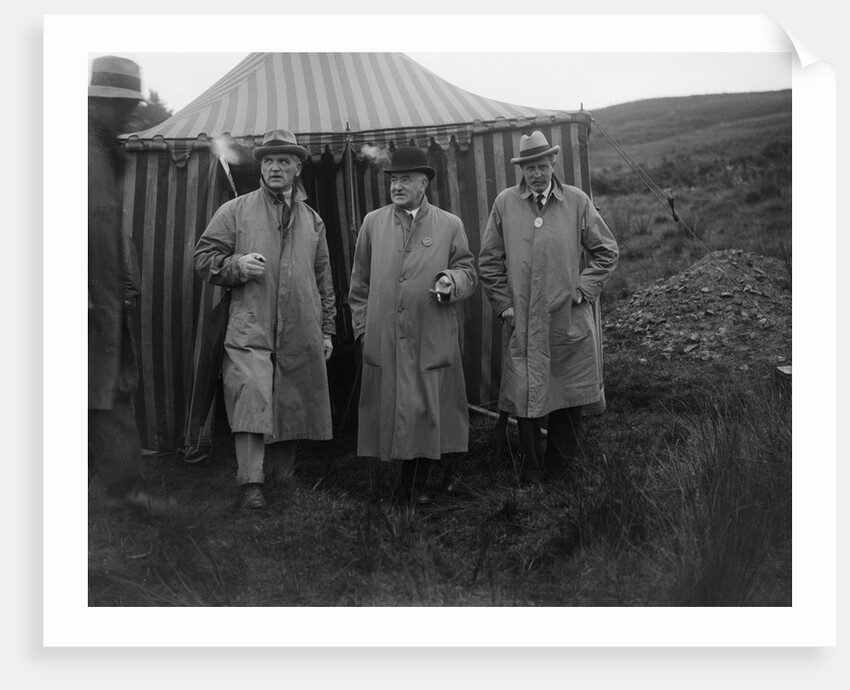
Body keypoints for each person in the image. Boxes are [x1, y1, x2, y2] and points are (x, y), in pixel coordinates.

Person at [194, 129, 336, 510]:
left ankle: (282, 478)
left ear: (297, 168)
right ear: (261, 167)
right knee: (251, 393)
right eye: (269, 161)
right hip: (249, 322)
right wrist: (236, 265)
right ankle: (251, 483)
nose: (275, 167)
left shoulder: (313, 221)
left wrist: (327, 330)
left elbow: (324, 279)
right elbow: (203, 258)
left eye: (284, 161)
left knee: (292, 396)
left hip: (300, 323)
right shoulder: (236, 210)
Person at [478, 131, 619, 484]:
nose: (536, 174)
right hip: (523, 319)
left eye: (542, 166)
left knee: (568, 394)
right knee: (525, 393)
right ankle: (531, 470)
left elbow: (607, 251)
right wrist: (504, 304)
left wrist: (584, 288)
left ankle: (561, 471)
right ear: (521, 171)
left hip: (565, 319)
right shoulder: (505, 203)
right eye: (529, 168)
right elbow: (489, 261)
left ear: (553, 164)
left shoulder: (576, 201)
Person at [348, 146, 477, 505]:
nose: (397, 185)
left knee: (430, 407)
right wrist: (363, 329)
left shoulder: (449, 224)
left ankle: (422, 483)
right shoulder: (373, 222)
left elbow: (468, 271)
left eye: (405, 179)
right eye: (393, 179)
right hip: (385, 336)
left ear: (424, 183)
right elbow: (358, 284)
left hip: (431, 333)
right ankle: (411, 486)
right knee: (397, 407)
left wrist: (452, 281)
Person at [88, 55, 174, 516]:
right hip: (80, 307)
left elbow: (107, 234)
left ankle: (124, 492)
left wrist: (120, 285)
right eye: (120, 106)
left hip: (103, 304)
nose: (129, 116)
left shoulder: (105, 153)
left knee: (109, 393)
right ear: (96, 103)